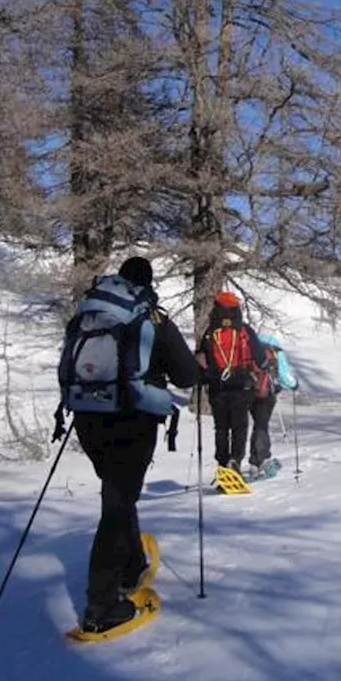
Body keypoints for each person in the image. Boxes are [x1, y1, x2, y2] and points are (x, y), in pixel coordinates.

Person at [57, 256, 198, 634]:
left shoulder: (88, 314)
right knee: (116, 505)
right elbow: (186, 375)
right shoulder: (151, 319)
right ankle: (101, 606)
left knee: (118, 495)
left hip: (87, 418)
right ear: (148, 284)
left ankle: (133, 563)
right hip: (131, 421)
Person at [194, 291, 265, 476]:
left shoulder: (210, 332)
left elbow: (201, 358)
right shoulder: (244, 330)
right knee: (239, 426)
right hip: (242, 385)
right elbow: (259, 356)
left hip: (217, 386)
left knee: (221, 427)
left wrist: (204, 376)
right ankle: (236, 460)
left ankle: (223, 463)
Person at [248, 332, 298, 478]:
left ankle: (256, 461)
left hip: (248, 389)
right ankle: (260, 460)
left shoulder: (249, 345)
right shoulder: (274, 347)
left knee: (257, 423)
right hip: (267, 392)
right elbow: (284, 375)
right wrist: (294, 384)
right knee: (261, 424)